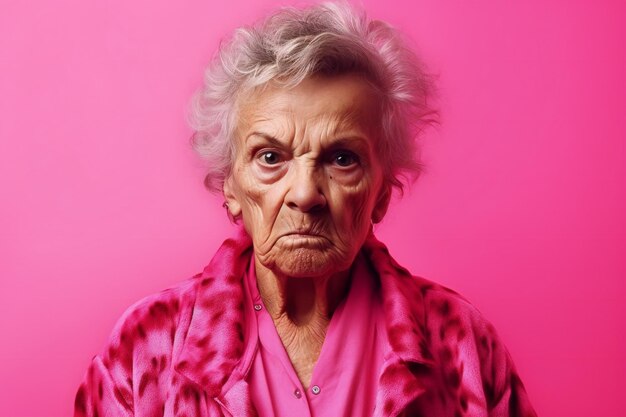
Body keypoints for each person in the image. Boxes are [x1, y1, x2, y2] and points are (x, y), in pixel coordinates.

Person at [74, 2, 537, 416]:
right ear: (230, 184)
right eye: (271, 157)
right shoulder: (148, 344)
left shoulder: (458, 341)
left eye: (341, 159)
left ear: (381, 192)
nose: (305, 194)